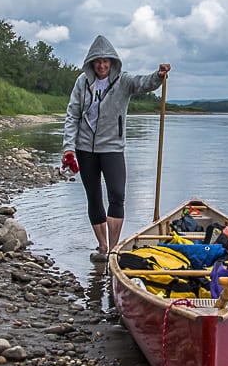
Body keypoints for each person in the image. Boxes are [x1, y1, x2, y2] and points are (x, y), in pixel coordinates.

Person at [62, 35, 171, 261]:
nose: (102, 65)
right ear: (91, 62)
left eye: (106, 61)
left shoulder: (123, 81)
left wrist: (159, 76)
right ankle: (102, 246)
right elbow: (72, 115)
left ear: (112, 62)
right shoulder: (82, 82)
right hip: (85, 148)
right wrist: (68, 149)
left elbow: (145, 83)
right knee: (93, 196)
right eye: (97, 61)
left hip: (112, 147)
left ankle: (113, 248)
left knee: (117, 195)